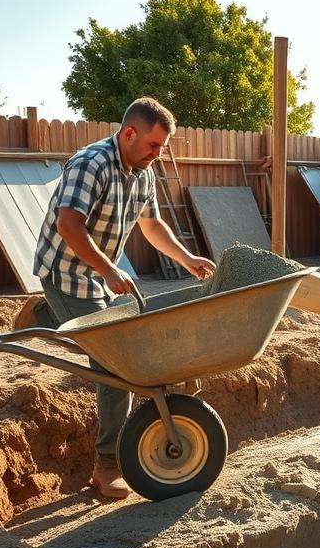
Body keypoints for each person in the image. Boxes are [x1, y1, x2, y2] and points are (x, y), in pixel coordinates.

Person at [21, 97, 216, 499]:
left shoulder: (142, 172)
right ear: (129, 133)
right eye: (153, 145)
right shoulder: (90, 163)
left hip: (99, 276)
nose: (157, 155)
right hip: (67, 273)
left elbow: (152, 223)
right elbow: (69, 224)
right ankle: (105, 466)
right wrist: (108, 269)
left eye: (162, 148)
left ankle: (45, 315)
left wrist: (187, 258)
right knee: (116, 369)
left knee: (135, 341)